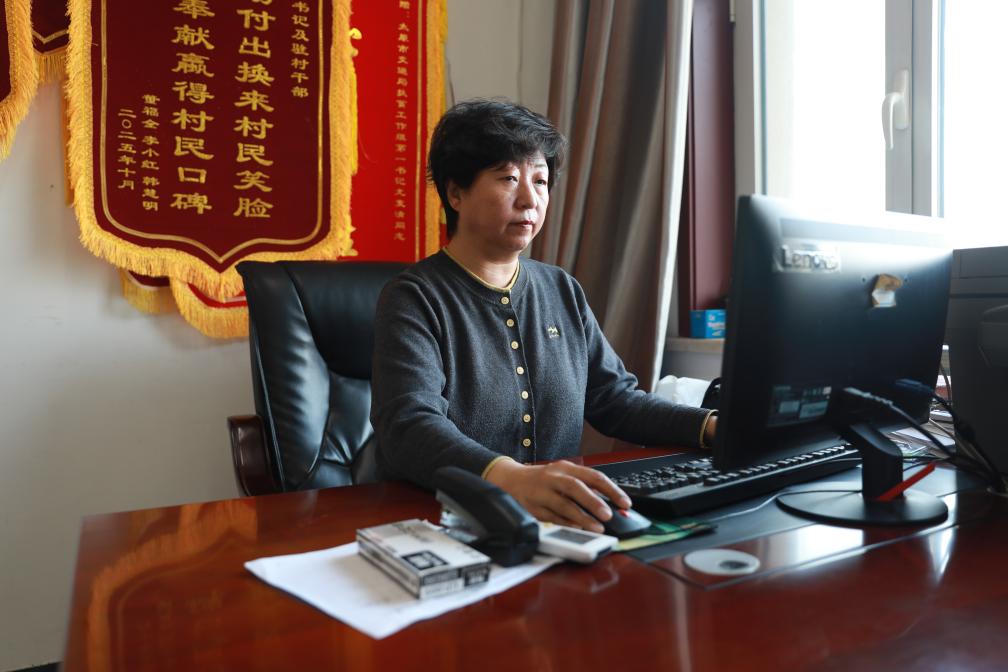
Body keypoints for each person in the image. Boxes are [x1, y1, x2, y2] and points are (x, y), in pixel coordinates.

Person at [371, 99, 716, 533]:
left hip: (558, 518)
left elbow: (614, 399)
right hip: (445, 520)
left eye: (540, 180)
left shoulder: (560, 289)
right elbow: (408, 426)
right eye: (508, 179)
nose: (530, 199)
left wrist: (711, 426)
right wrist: (509, 478)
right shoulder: (414, 297)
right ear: (455, 193)